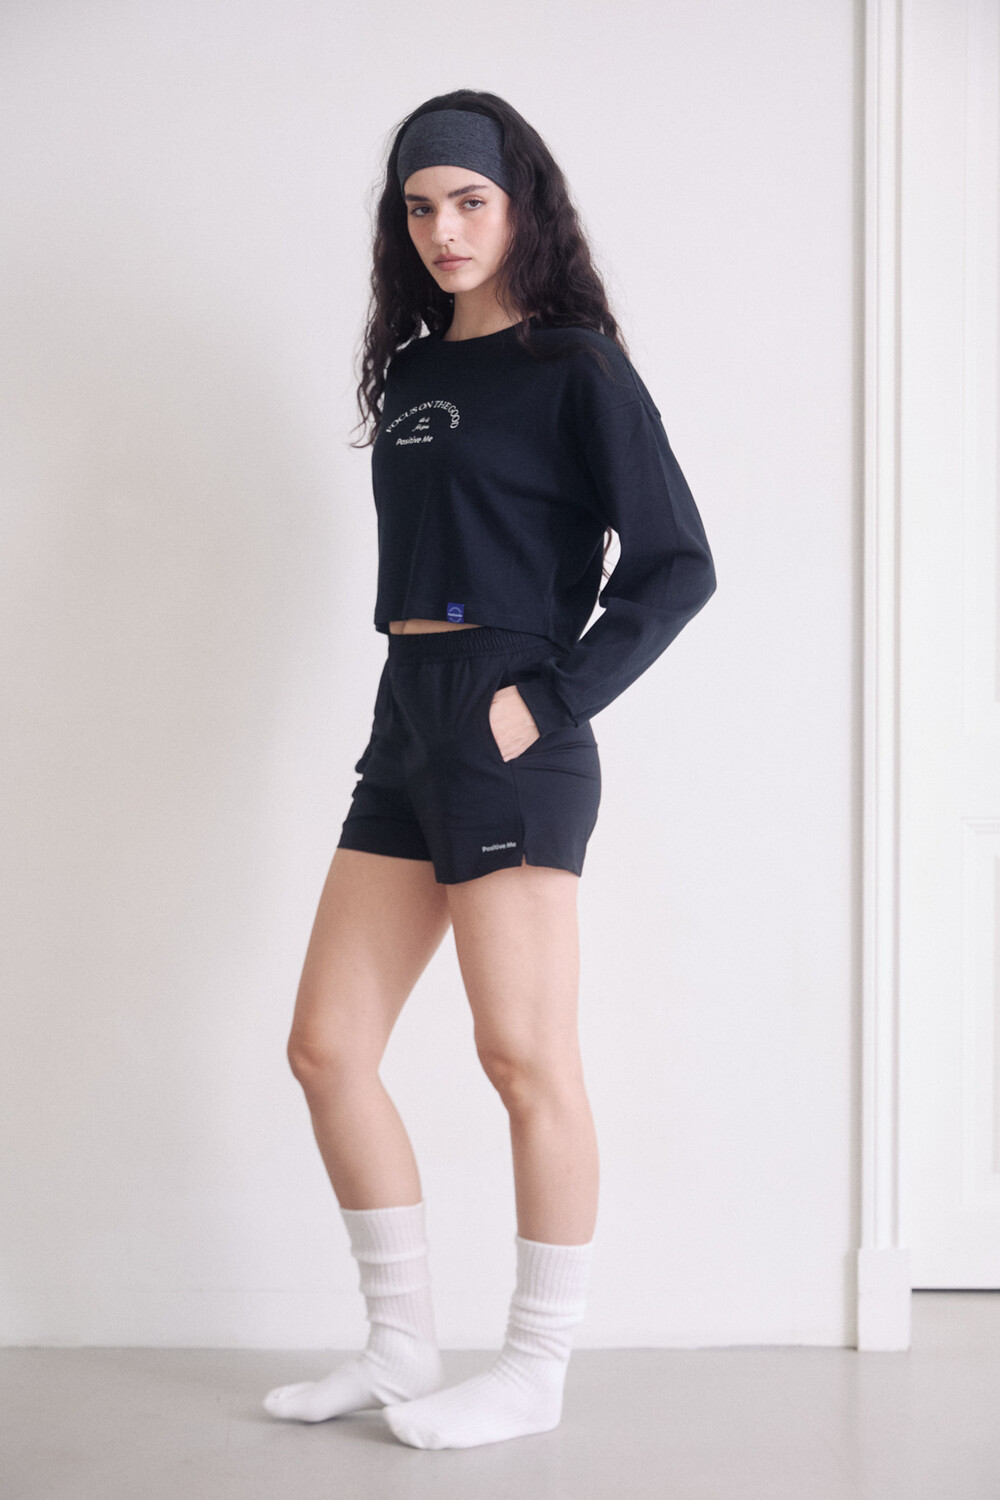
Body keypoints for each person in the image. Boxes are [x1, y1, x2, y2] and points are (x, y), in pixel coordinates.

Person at [263, 89, 716, 1450]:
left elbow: (677, 563)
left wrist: (551, 698)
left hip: (513, 712)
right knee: (327, 1047)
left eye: (469, 201)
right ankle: (401, 1345)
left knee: (522, 1055)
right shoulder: (410, 373)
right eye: (420, 208)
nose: (444, 230)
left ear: (522, 207)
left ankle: (534, 1366)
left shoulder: (576, 365)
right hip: (406, 713)